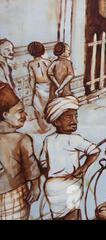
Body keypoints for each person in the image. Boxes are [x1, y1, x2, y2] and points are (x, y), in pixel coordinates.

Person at [40, 96, 100, 220]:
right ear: (56, 121)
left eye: (76, 116)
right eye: (69, 117)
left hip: (52, 187)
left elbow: (43, 164)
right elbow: (94, 151)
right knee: (73, 215)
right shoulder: (74, 139)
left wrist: (53, 177)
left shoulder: (48, 140)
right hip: (69, 185)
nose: (75, 121)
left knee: (59, 217)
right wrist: (84, 167)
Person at [0, 83, 41, 220]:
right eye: (20, 111)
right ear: (5, 115)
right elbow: (31, 167)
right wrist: (35, 186)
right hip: (14, 196)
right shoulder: (21, 140)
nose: (25, 115)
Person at [27, 42, 51, 133]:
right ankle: (50, 124)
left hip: (39, 88)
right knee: (48, 107)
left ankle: (43, 128)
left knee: (37, 109)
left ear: (30, 52)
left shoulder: (31, 64)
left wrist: (32, 90)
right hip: (48, 86)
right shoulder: (48, 62)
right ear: (43, 51)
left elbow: (32, 78)